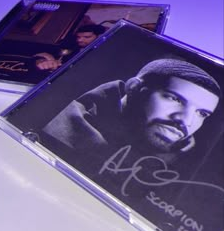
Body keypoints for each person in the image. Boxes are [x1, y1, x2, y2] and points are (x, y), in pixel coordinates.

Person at [43, 58, 221, 168]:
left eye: (202, 113)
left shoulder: (187, 165)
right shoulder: (50, 117)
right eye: (175, 99)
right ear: (134, 88)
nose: (186, 120)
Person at [35, 24, 106, 71]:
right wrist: (44, 60)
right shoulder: (71, 45)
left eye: (86, 37)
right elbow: (44, 53)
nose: (80, 40)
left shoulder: (104, 51)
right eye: (78, 37)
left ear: (99, 36)